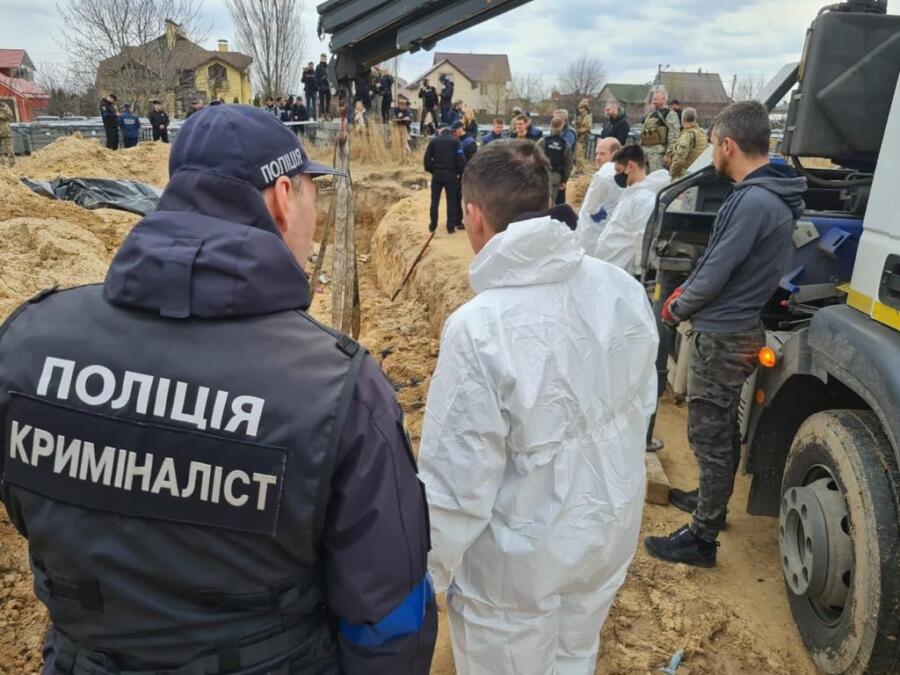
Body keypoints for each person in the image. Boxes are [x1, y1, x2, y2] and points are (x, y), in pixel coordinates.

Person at [0, 104, 437, 675]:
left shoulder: (27, 343)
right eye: (311, 194)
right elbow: (389, 619)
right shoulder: (339, 391)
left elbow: (31, 509)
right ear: (283, 197)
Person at [418, 139, 658, 675]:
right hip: (606, 533)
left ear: (474, 216)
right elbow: (642, 406)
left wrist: (427, 573)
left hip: (515, 571)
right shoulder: (619, 289)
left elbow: (457, 484)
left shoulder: (479, 329)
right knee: (575, 656)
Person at [645, 101, 806, 567]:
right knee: (719, 430)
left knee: (709, 433)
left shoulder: (753, 200)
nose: (713, 151)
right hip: (738, 327)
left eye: (714, 144)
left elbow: (717, 268)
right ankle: (707, 501)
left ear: (728, 145)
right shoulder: (766, 196)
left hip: (725, 333)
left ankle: (701, 539)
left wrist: (678, 304)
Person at [583, 144, 670, 275]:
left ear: (630, 166)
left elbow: (642, 239)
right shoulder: (631, 194)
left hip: (621, 271)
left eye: (618, 170)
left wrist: (639, 273)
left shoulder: (643, 200)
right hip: (611, 268)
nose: (616, 176)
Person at [577, 137, 624, 241]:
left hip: (591, 233)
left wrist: (594, 211)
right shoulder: (625, 172)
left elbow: (590, 205)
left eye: (602, 154)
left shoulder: (603, 174)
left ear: (615, 154)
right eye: (596, 154)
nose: (597, 158)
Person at [424, 124, 466, 234]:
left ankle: (433, 225)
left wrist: (432, 170)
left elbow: (427, 159)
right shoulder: (456, 142)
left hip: (437, 175)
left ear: (440, 131)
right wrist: (459, 172)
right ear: (450, 131)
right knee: (451, 202)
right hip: (451, 176)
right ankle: (450, 227)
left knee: (435, 201)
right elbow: (461, 159)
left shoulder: (434, 141)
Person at [640, 87, 680, 172]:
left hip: (658, 155)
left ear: (664, 99)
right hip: (646, 154)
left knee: (657, 179)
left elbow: (674, 136)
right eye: (653, 98)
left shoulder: (670, 114)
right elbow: (643, 133)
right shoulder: (650, 115)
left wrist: (669, 154)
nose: (653, 101)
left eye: (655, 99)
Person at [537, 117, 574, 209]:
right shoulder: (565, 145)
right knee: (551, 202)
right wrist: (564, 180)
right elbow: (568, 165)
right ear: (562, 127)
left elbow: (534, 157)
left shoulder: (542, 141)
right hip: (556, 177)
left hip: (541, 175)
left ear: (550, 126)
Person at [668, 107, 709, 179]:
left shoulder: (687, 135)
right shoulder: (702, 133)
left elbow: (679, 160)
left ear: (682, 119)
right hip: (698, 172)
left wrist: (672, 174)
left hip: (685, 175)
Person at [452, 120, 477, 231]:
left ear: (461, 129)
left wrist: (464, 174)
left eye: (455, 131)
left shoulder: (470, 142)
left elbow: (471, 161)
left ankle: (465, 221)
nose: (454, 133)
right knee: (457, 197)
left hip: (467, 174)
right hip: (459, 174)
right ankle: (457, 220)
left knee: (465, 199)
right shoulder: (460, 140)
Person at [316, 54, 331, 120]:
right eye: (322, 58)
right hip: (321, 86)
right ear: (320, 58)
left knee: (328, 102)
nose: (323, 59)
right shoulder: (318, 67)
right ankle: (322, 116)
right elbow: (316, 77)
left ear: (326, 59)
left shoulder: (328, 66)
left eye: (324, 58)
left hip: (328, 86)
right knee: (321, 102)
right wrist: (318, 86)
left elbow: (331, 76)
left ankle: (327, 114)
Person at [0, 100, 14, 167]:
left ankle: (12, 166)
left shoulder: (4, 106)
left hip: (6, 132)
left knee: (10, 150)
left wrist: (1, 114)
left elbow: (9, 116)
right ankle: (2, 167)